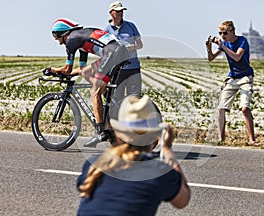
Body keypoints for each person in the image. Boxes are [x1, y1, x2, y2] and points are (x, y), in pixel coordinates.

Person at [76, 95, 191, 216]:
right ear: (154, 137)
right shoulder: (158, 171)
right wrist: (167, 149)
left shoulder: (94, 164)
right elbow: (183, 200)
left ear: (118, 134)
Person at [44, 18, 129, 147]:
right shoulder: (81, 40)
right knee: (86, 72)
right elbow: (82, 69)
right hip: (117, 53)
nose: (59, 43)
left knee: (94, 92)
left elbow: (68, 69)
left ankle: (100, 131)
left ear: (62, 33)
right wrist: (64, 72)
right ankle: (110, 101)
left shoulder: (71, 40)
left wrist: (53, 70)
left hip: (112, 54)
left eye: (57, 38)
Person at [205, 20, 258, 145]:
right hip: (232, 77)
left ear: (232, 31)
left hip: (245, 77)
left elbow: (237, 57)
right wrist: (209, 48)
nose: (222, 36)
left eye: (224, 33)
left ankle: (252, 140)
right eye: (220, 33)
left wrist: (222, 46)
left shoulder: (242, 41)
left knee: (244, 109)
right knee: (221, 108)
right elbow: (211, 59)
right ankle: (221, 139)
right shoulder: (225, 43)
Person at [105, 1, 143, 106]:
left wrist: (132, 47)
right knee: (117, 99)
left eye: (122, 11)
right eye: (118, 11)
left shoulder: (131, 26)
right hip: (117, 70)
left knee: (135, 98)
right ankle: (117, 121)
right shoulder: (107, 30)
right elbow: (105, 50)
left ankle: (134, 121)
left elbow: (140, 45)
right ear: (111, 13)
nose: (120, 13)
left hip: (133, 67)